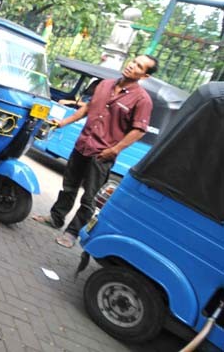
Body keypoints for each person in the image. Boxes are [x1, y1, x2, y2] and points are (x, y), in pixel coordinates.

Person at [33, 55, 159, 248]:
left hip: (102, 154)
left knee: (89, 197)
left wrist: (115, 150)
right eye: (133, 61)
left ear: (145, 76)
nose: (132, 66)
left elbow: (138, 131)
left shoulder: (142, 100)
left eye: (139, 66)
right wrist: (63, 122)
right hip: (82, 145)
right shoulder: (105, 85)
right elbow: (87, 108)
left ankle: (72, 233)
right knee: (69, 186)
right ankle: (55, 218)